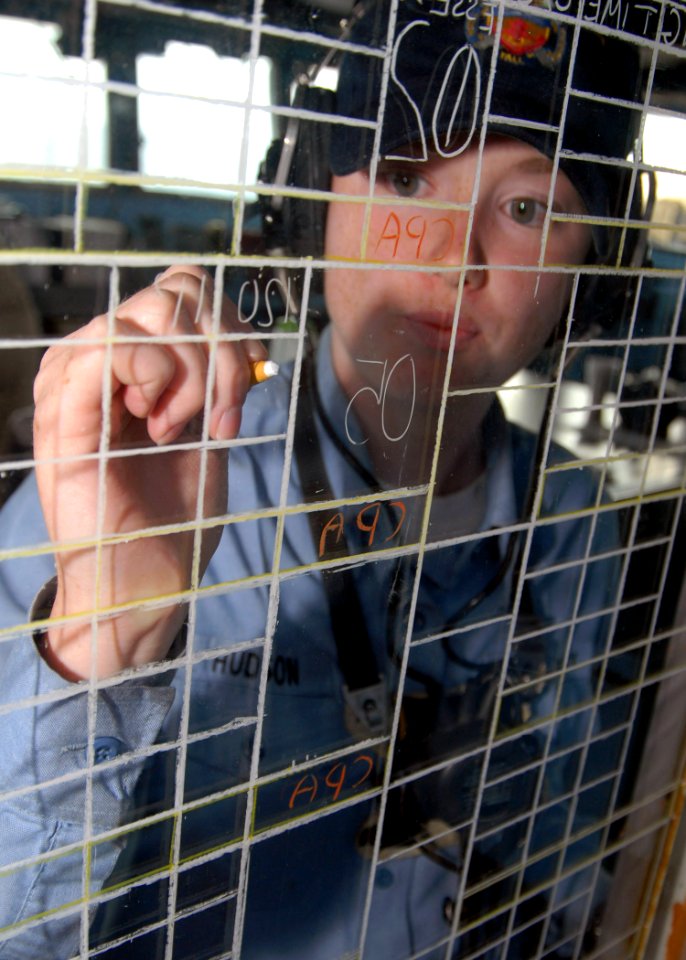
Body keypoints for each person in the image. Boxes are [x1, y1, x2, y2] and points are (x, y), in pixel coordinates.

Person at [0, 2, 646, 957]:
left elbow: (572, 851)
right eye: (403, 176)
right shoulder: (131, 483)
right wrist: (110, 621)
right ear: (311, 196)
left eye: (526, 207)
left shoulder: (580, 534)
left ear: (596, 269)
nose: (449, 253)